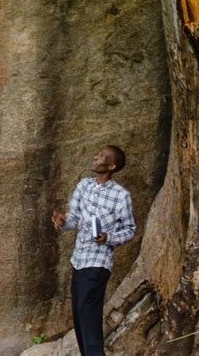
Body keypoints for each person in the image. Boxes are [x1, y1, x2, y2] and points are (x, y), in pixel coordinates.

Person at [52, 145, 135, 356]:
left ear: (112, 165)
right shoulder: (84, 185)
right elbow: (73, 219)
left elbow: (129, 230)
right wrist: (63, 221)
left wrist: (109, 238)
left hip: (98, 263)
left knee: (88, 315)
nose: (95, 158)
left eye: (101, 157)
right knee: (80, 317)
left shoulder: (120, 195)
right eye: (97, 154)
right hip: (78, 260)